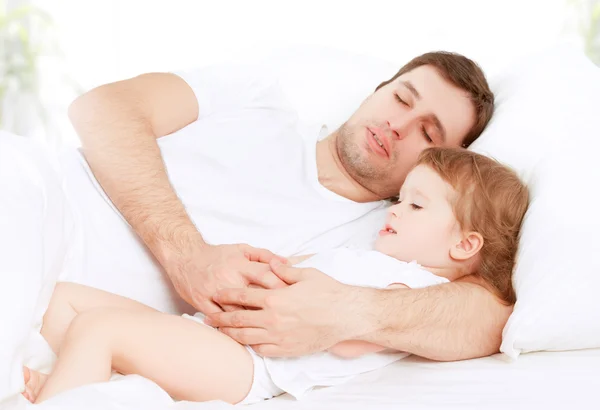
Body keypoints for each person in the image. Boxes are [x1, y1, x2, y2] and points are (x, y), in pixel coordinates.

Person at [58, 50, 500, 363]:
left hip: (69, 310)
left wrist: (350, 315)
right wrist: (186, 254)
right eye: (402, 99)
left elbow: (489, 318)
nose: (398, 125)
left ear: (441, 161)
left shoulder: (387, 242)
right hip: (39, 195)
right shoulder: (258, 97)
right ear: (376, 91)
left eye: (428, 132)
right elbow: (101, 107)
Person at [22, 147, 529, 405]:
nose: (395, 211)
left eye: (417, 205)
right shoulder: (378, 261)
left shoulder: (416, 292)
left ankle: (66, 393)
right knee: (64, 299)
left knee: (99, 328)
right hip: (211, 333)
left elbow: (353, 340)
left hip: (246, 368)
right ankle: (80, 385)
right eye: (400, 198)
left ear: (464, 245)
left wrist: (326, 302)